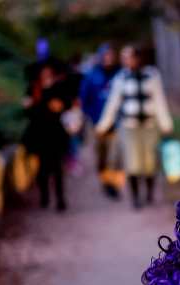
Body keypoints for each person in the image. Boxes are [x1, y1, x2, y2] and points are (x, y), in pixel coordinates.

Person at [97, 45, 174, 209]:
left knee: (149, 162)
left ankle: (149, 194)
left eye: (130, 57)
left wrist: (166, 124)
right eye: (124, 57)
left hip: (149, 125)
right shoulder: (120, 78)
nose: (127, 61)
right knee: (132, 162)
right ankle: (135, 197)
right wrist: (103, 125)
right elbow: (113, 104)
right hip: (129, 127)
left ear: (138, 58)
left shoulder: (152, 75)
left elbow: (159, 101)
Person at [22, 63, 73, 211]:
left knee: (57, 168)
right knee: (43, 169)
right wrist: (29, 106)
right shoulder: (34, 88)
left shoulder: (59, 87)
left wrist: (61, 105)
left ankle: (60, 199)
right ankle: (44, 196)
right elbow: (27, 111)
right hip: (39, 133)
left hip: (55, 133)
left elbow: (67, 105)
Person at [80, 43, 124, 198]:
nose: (108, 59)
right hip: (97, 124)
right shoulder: (92, 75)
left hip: (117, 123)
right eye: (105, 55)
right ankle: (105, 182)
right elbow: (84, 100)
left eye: (111, 55)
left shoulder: (120, 74)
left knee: (117, 155)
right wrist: (92, 117)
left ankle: (115, 184)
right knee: (102, 155)